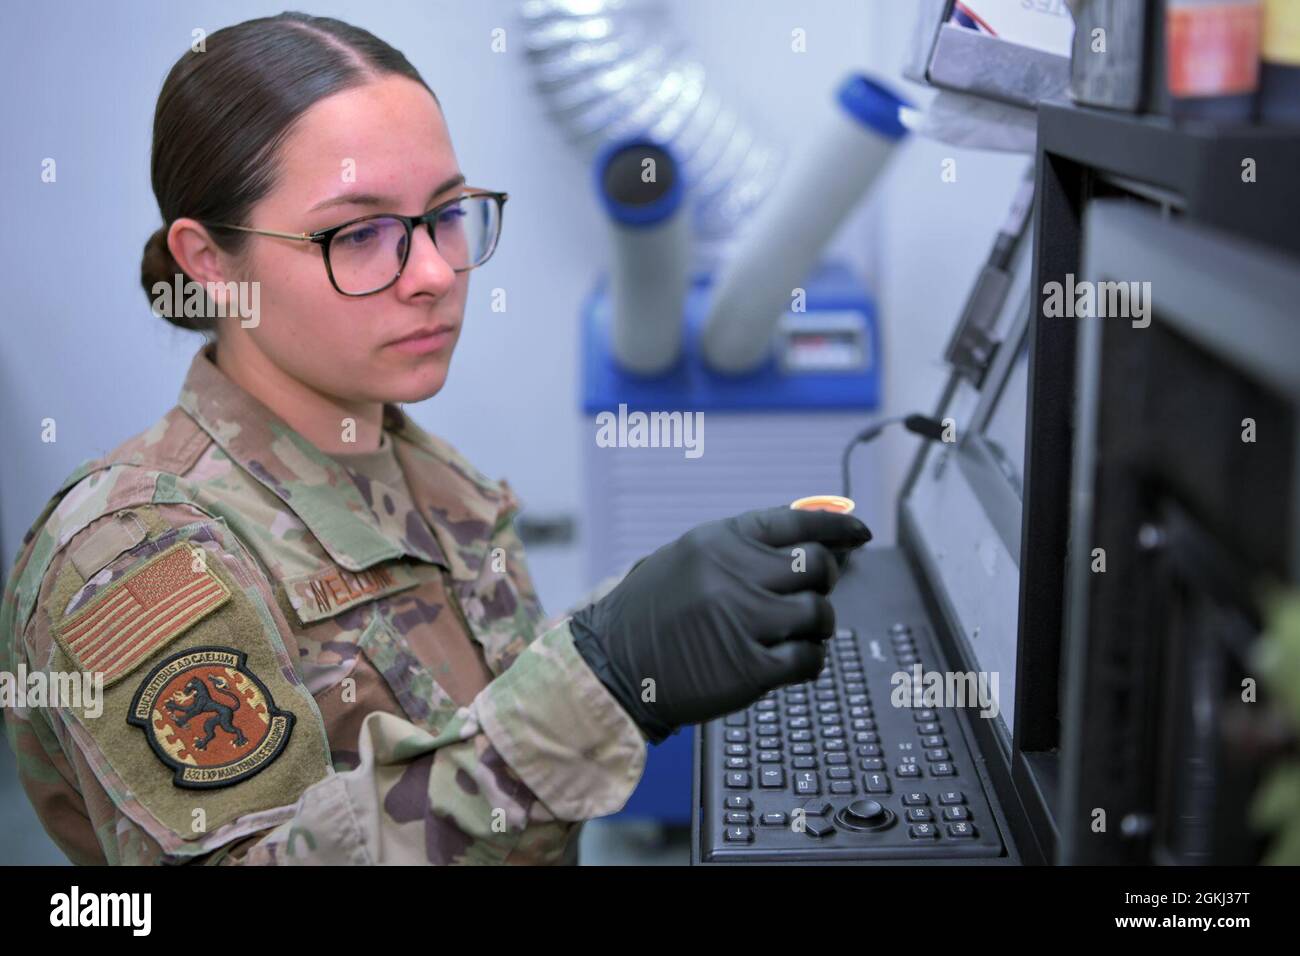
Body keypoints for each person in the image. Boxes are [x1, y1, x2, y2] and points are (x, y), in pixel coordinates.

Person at [0, 12, 871, 865]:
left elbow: (464, 714)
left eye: (447, 214)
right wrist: (604, 675)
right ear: (211, 265)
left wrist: (650, 620)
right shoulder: (138, 557)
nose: (433, 276)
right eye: (358, 234)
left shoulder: (415, 468)